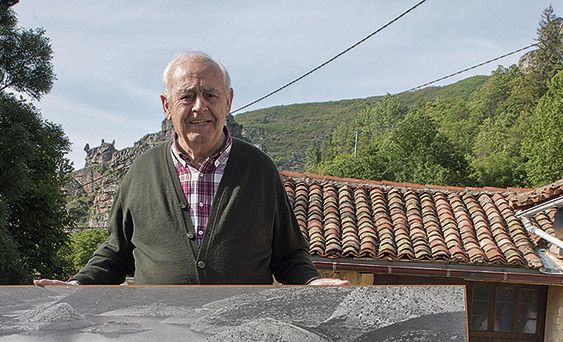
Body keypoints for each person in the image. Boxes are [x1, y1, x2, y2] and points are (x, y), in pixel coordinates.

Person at [36, 51, 348, 287]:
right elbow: (117, 253)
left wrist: (311, 283)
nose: (200, 106)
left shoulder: (260, 170)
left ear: (228, 100)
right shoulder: (141, 172)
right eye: (187, 96)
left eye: (211, 94)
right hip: (157, 338)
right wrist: (77, 286)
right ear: (166, 105)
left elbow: (289, 256)